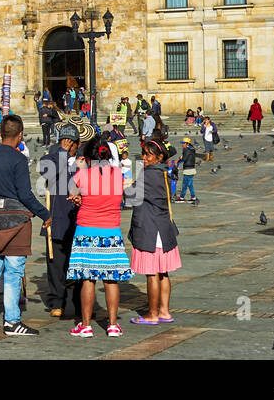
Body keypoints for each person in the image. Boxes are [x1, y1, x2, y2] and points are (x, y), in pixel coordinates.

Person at [0, 115, 49, 335]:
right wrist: (44, 213)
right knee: (13, 271)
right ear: (20, 135)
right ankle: (12, 321)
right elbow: (25, 194)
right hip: (15, 221)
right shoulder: (18, 159)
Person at [66, 136, 133, 338]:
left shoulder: (83, 175)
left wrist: (78, 195)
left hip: (86, 231)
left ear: (87, 157)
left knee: (88, 279)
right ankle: (113, 325)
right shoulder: (118, 175)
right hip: (111, 231)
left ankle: (85, 325)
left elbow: (72, 193)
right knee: (111, 279)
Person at [128, 139, 181, 325]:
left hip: (151, 229)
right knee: (163, 273)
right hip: (164, 228)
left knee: (152, 274)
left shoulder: (149, 174)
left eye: (148, 154)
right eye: (143, 154)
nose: (144, 158)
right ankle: (164, 311)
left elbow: (131, 196)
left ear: (158, 157)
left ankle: (152, 314)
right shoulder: (163, 172)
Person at [41, 116, 84, 319]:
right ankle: (56, 301)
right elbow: (46, 173)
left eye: (71, 143)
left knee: (78, 266)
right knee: (56, 265)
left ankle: (79, 303)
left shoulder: (84, 163)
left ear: (78, 144)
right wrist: (61, 153)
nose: (67, 146)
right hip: (57, 220)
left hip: (79, 221)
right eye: (63, 142)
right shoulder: (51, 158)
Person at [175, 138, 198, 204]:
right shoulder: (192, 149)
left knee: (185, 184)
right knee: (190, 184)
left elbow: (184, 159)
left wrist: (180, 158)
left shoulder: (186, 149)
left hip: (187, 169)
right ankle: (193, 197)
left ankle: (182, 198)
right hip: (192, 168)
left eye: (183, 143)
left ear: (187, 143)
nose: (182, 144)